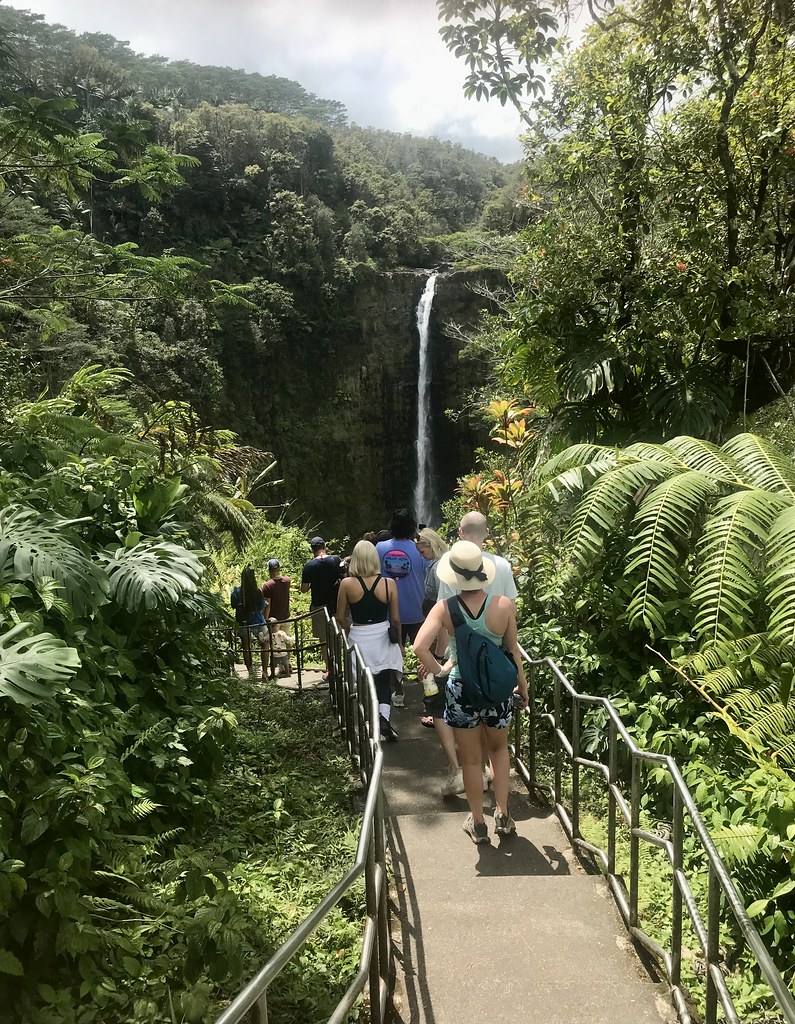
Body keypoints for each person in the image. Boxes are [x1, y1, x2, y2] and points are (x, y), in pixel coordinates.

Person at [413, 541, 528, 844]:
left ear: (454, 576)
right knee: (499, 750)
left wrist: (440, 670)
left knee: (472, 759)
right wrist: (522, 685)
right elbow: (513, 650)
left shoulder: (444, 608)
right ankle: (502, 814)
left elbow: (419, 646)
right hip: (498, 690)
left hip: (461, 689)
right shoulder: (503, 605)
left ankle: (478, 823)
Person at [336, 540, 403, 742]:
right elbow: (396, 619)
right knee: (383, 681)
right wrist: (399, 642)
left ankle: (367, 723)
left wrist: (350, 629)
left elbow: (340, 616)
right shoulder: (388, 584)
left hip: (359, 636)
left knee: (362, 681)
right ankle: (384, 719)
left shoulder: (347, 584)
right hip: (383, 636)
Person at [376, 509, 425, 707]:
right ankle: (429, 691)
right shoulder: (420, 549)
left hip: (389, 612)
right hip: (418, 610)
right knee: (424, 653)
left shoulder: (380, 548)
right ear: (412, 526)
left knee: (393, 654)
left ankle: (398, 692)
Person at [435, 510, 517, 602]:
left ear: (461, 532)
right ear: (487, 532)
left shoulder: (451, 565)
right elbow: (511, 604)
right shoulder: (503, 564)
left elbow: (445, 604)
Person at [300, 536, 342, 680]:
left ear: (312, 550)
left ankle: (330, 670)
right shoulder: (336, 560)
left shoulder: (309, 566)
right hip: (337, 605)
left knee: (324, 641)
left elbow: (304, 589)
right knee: (337, 637)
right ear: (325, 546)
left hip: (319, 607)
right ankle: (340, 667)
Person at [230, 566, 269, 679]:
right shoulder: (257, 591)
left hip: (243, 623)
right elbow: (261, 607)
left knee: (246, 648)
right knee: (265, 645)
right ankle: (264, 672)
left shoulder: (236, 592)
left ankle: (251, 673)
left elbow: (233, 606)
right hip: (258, 622)